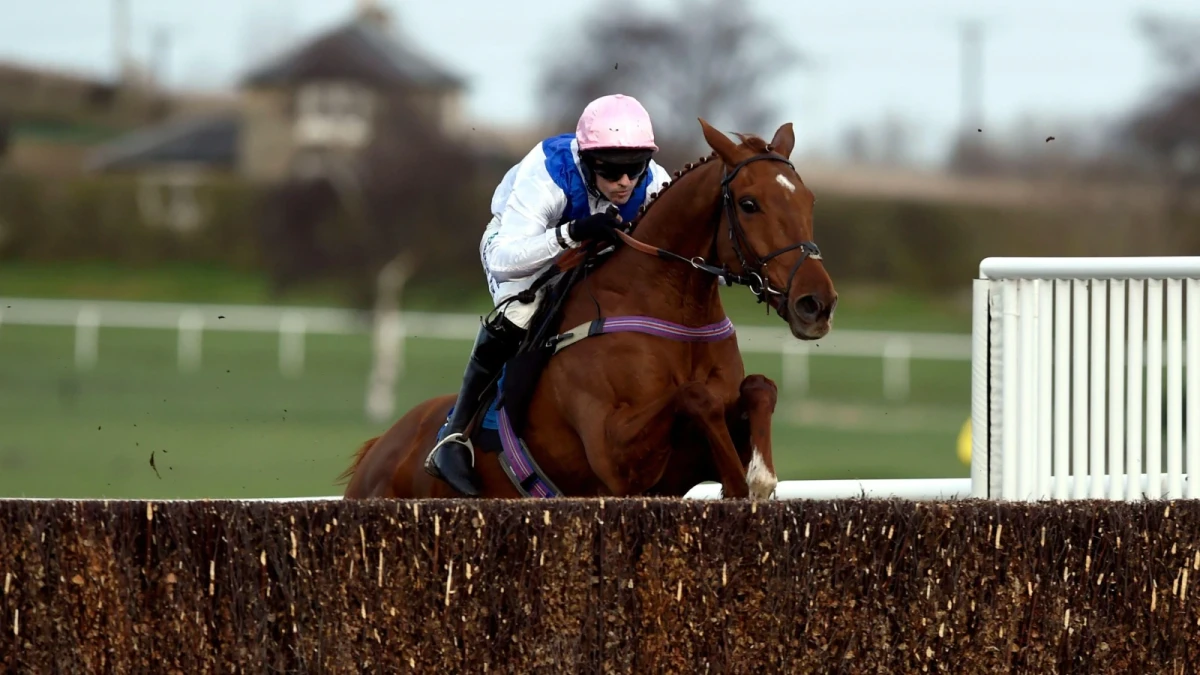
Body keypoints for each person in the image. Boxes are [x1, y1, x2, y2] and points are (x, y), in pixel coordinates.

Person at [424, 93, 673, 496]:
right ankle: (453, 437)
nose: (625, 182)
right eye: (611, 171)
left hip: (597, 252)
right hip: (525, 251)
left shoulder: (655, 182)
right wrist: (572, 233)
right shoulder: (548, 172)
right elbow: (506, 259)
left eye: (634, 169)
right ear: (589, 160)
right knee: (520, 315)